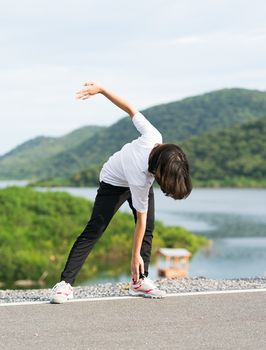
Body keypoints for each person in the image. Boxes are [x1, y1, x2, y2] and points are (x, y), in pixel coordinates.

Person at [50, 82, 192, 303]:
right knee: (94, 229)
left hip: (138, 176)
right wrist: (134, 255)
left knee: (149, 230)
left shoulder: (154, 136)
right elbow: (140, 222)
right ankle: (64, 284)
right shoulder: (141, 177)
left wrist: (102, 90)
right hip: (113, 180)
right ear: (159, 170)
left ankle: (139, 282)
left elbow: (130, 109)